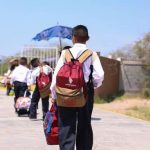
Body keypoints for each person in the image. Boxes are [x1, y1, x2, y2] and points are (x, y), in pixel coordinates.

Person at [50, 25, 104, 150]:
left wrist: (54, 95)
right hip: (85, 93)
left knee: (66, 126)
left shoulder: (65, 53)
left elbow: (56, 76)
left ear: (73, 38)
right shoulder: (92, 54)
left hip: (65, 93)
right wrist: (93, 85)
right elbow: (99, 75)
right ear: (87, 38)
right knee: (84, 125)